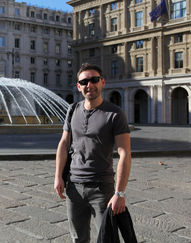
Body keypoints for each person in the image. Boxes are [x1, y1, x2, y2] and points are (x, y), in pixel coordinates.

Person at [54, 63, 132, 243]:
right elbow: (64, 143)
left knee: (107, 238)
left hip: (101, 188)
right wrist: (58, 176)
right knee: (77, 237)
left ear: (102, 82)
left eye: (94, 80)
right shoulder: (72, 110)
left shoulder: (115, 114)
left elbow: (125, 154)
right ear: (78, 86)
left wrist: (119, 193)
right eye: (84, 81)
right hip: (74, 186)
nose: (90, 84)